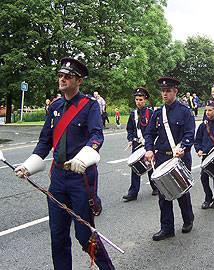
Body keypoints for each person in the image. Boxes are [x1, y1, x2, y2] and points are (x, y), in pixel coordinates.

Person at [14, 57, 114, 269]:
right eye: (60, 75)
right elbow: (44, 141)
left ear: (79, 81)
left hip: (81, 178)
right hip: (58, 179)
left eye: (67, 76)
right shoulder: (55, 106)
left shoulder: (90, 106)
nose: (62, 79)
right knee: (58, 236)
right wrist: (28, 165)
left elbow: (97, 136)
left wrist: (83, 158)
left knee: (85, 235)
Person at [144, 77, 195, 241]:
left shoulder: (185, 111)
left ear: (175, 91)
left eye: (168, 91)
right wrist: (149, 149)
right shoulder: (158, 113)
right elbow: (149, 133)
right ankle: (167, 228)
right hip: (161, 157)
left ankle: (188, 219)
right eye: (163, 91)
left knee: (181, 191)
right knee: (163, 194)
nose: (165, 94)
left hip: (180, 157)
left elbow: (189, 133)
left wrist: (183, 147)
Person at [123, 87, 158, 202]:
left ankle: (155, 187)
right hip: (137, 144)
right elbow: (130, 128)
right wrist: (130, 138)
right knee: (135, 168)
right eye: (137, 99)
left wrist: (151, 143)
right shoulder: (133, 114)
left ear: (145, 100)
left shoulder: (151, 113)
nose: (138, 102)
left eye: (141, 100)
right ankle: (133, 193)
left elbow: (154, 129)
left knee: (151, 166)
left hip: (147, 144)